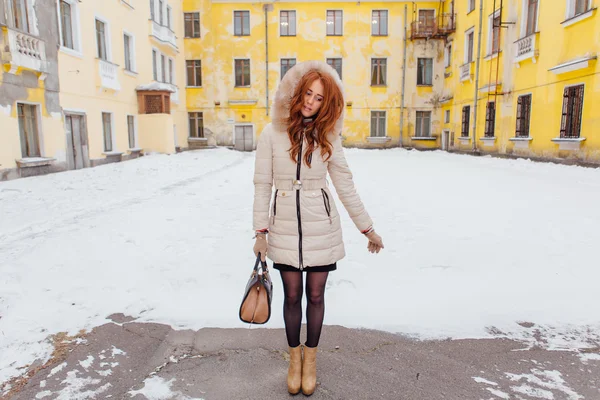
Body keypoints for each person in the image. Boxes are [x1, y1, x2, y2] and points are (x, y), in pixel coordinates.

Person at [252, 60, 384, 396]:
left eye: (319, 97)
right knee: (292, 295)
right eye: (307, 93)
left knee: (315, 295)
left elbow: (345, 184)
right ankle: (294, 361)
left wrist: (367, 229)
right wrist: (260, 232)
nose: (311, 101)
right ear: (296, 94)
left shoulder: (328, 138)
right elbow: (262, 184)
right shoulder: (272, 133)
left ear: (327, 104)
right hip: (283, 226)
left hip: (321, 226)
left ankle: (310, 361)